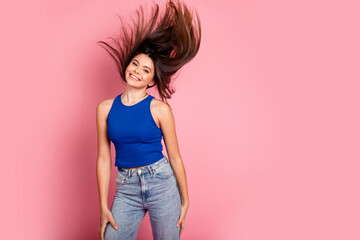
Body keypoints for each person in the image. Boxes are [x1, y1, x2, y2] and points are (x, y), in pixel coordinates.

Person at [95, 0, 201, 239]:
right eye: (135, 64)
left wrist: (185, 200)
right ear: (127, 66)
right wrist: (103, 207)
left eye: (146, 70)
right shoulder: (105, 108)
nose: (137, 71)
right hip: (126, 187)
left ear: (152, 81)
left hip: (161, 183)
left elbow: (174, 157)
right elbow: (103, 159)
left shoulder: (160, 109)